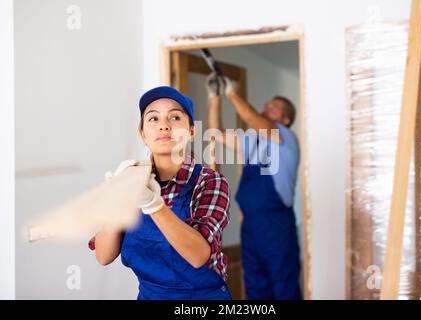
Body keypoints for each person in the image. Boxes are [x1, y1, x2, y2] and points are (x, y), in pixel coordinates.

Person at [91, 86, 232, 300]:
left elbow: (198, 255)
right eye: (153, 119)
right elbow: (103, 255)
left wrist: (152, 204)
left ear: (191, 132)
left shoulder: (210, 182)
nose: (164, 126)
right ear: (143, 134)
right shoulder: (132, 180)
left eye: (175, 118)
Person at [206, 74, 302, 300]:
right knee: (256, 287)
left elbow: (249, 116)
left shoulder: (285, 138)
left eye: (274, 109)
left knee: (284, 287)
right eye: (267, 106)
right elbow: (216, 134)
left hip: (277, 226)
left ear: (286, 120)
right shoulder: (254, 141)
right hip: (250, 226)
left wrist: (231, 92)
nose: (267, 109)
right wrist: (215, 97)